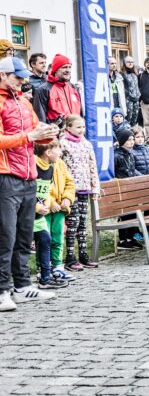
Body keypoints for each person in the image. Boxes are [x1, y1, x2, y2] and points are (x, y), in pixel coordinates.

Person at [0, 56, 59, 311]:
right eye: (17, 77)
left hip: (28, 176)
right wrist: (30, 136)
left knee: (24, 236)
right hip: (6, 177)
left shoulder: (24, 101)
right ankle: (2, 290)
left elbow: (35, 130)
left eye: (24, 76)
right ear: (2, 75)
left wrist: (49, 134)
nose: (23, 81)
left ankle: (22, 286)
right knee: (5, 236)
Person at [59, 114, 100, 271]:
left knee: (83, 223)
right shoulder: (63, 144)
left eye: (83, 127)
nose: (81, 130)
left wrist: (95, 188)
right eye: (78, 127)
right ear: (68, 128)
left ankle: (83, 254)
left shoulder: (87, 144)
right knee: (73, 223)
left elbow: (92, 166)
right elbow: (59, 167)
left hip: (85, 188)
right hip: (70, 190)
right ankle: (70, 256)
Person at [34, 139, 76, 285]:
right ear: (48, 151)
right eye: (58, 149)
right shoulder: (38, 166)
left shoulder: (60, 163)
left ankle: (57, 266)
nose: (61, 152)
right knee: (45, 239)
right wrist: (51, 203)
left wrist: (67, 199)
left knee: (58, 238)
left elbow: (70, 182)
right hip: (45, 209)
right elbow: (42, 190)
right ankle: (44, 269)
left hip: (60, 208)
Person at [32, 54, 82, 127]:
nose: (68, 70)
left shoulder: (74, 88)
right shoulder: (43, 89)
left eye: (70, 67)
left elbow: (81, 114)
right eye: (64, 67)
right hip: (56, 136)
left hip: (76, 135)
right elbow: (40, 120)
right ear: (55, 70)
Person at [113, 129, 141, 250]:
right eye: (128, 140)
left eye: (132, 139)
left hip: (131, 188)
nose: (131, 142)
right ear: (122, 141)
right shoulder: (116, 155)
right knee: (124, 215)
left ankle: (131, 237)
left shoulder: (130, 154)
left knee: (133, 213)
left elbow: (132, 170)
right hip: (121, 188)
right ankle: (123, 239)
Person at [122, 56, 141, 127]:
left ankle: (132, 133)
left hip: (136, 99)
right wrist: (128, 95)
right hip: (128, 99)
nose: (130, 63)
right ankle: (126, 133)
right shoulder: (122, 74)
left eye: (132, 62)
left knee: (135, 117)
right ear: (124, 63)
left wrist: (139, 95)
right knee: (128, 117)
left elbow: (138, 86)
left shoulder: (135, 73)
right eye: (128, 62)